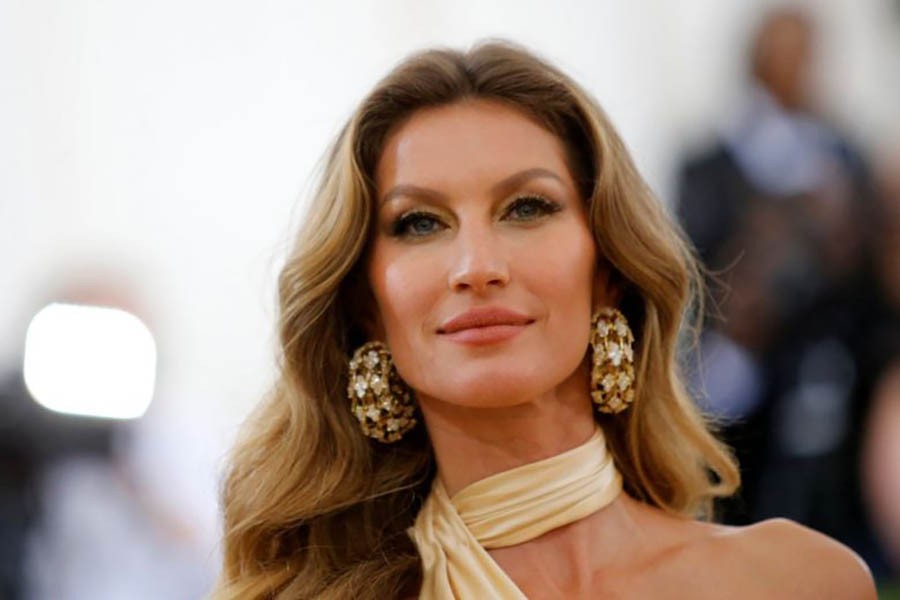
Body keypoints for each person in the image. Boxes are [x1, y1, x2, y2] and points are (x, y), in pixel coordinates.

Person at [212, 42, 876, 599]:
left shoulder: (799, 580)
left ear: (608, 268)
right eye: (420, 223)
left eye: (527, 208)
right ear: (368, 305)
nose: (476, 265)